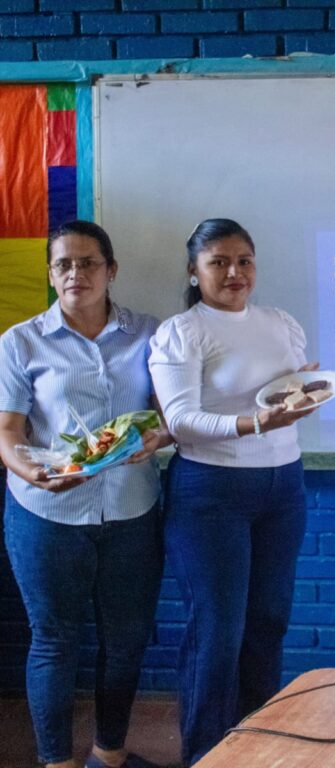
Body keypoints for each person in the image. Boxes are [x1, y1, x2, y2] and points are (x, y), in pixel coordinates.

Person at [0, 221, 171, 768]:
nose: (76, 273)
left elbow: (171, 416)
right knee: (53, 640)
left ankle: (109, 755)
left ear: (111, 270)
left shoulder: (151, 333)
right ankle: (58, 762)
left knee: (125, 642)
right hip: (46, 511)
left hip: (131, 510)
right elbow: (8, 435)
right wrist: (34, 475)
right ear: (51, 275)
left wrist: (159, 436)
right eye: (64, 264)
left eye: (89, 262)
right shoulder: (21, 341)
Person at [148, 219, 317, 766]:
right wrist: (254, 423)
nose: (234, 272)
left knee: (268, 623)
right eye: (218, 262)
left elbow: (288, 396)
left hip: (282, 487)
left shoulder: (281, 324)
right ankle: (204, 754)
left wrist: (305, 392)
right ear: (194, 273)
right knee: (218, 632)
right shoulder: (182, 331)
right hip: (210, 493)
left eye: (244, 260)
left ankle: (257, 749)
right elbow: (179, 420)